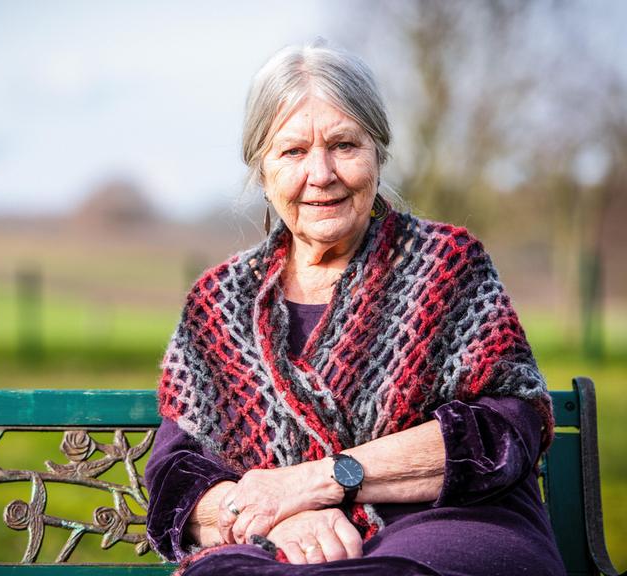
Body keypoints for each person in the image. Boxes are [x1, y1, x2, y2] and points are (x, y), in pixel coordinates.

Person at [145, 41, 566, 576]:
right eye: (293, 152)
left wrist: (319, 479)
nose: (321, 174)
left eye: (344, 145)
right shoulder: (218, 304)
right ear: (262, 171)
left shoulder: (443, 267)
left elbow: (506, 428)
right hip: (275, 545)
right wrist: (274, 518)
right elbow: (177, 478)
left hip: (447, 530)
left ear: (378, 153)